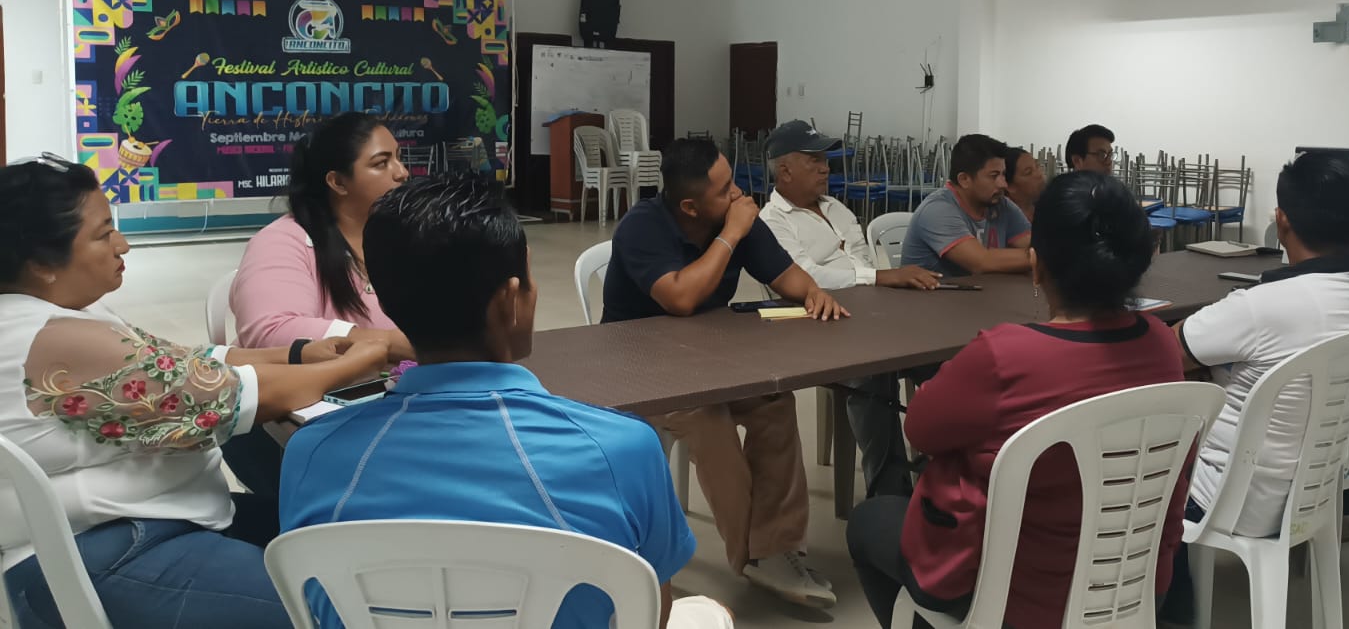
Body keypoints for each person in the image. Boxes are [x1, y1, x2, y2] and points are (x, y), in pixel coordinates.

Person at [279, 174, 733, 629]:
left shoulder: (310, 453)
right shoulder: (622, 449)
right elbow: (653, 614)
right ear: (509, 300)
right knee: (712, 612)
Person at [0, 155, 387, 628]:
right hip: (106, 550)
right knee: (341, 606)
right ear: (42, 262)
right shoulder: (55, 339)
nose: (123, 244)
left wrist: (301, 354)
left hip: (146, 522)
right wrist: (368, 355)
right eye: (103, 234)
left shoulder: (55, 315)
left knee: (338, 541)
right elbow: (231, 395)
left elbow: (181, 361)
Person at [847, 172, 1187, 629]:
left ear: (1037, 264)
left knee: (870, 521)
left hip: (1014, 598)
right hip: (1135, 583)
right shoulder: (1162, 344)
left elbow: (920, 429)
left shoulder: (1004, 356)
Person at [603, 137, 845, 607]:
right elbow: (680, 298)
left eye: (733, 181)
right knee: (707, 420)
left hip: (708, 358)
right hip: (638, 368)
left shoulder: (733, 216)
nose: (737, 194)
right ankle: (753, 556)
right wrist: (731, 234)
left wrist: (811, 291)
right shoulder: (643, 227)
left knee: (775, 401)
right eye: (724, 189)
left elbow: (786, 275)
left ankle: (775, 549)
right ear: (690, 207)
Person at [1160, 151, 1349, 625]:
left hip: (1230, 500)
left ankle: (1170, 611)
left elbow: (1168, 353)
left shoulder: (1260, 306)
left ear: (1280, 222)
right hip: (1315, 490)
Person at [226, 112, 416, 497]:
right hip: (292, 426)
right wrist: (387, 343)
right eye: (381, 163)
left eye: (399, 158)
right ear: (337, 182)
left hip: (385, 409)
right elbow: (270, 330)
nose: (401, 173)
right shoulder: (285, 241)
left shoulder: (402, 235)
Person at [759, 119, 940, 499]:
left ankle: (945, 469)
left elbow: (860, 260)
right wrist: (881, 278)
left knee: (942, 359)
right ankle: (890, 496)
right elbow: (807, 278)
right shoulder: (771, 222)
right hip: (816, 327)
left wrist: (876, 283)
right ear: (785, 170)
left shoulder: (837, 208)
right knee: (872, 374)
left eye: (825, 160)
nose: (825, 168)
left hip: (870, 317)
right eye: (814, 161)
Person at [901, 134, 1031, 277]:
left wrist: (1045, 253)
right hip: (936, 291)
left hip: (982, 289)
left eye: (1003, 175)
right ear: (964, 179)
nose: (1003, 184)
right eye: (993, 176)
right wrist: (1044, 257)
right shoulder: (937, 210)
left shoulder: (1000, 204)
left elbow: (1033, 245)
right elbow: (981, 262)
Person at [1002, 146, 1046, 222]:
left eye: (1037, 166)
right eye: (1028, 172)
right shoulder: (1002, 222)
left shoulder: (1048, 209)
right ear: (1009, 186)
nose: (1039, 174)